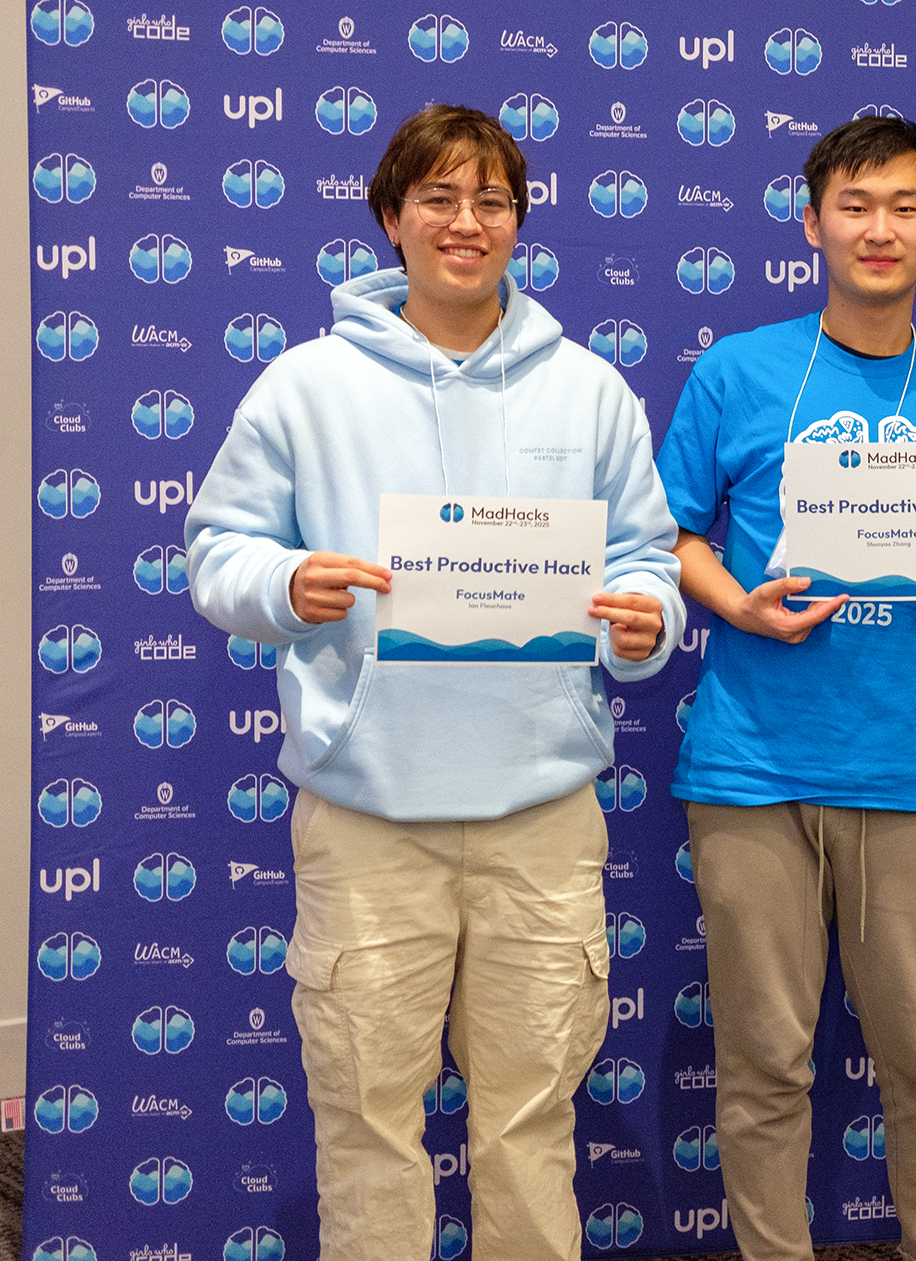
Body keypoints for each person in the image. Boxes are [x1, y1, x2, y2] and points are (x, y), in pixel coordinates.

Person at [184, 104, 684, 1261]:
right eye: (439, 199)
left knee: (528, 1119)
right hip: (369, 819)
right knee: (367, 1122)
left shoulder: (588, 389)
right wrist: (287, 581)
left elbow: (643, 559)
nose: (467, 223)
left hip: (540, 818)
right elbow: (217, 553)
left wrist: (642, 617)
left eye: (491, 201)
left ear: (518, 222)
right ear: (391, 218)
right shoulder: (304, 386)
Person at [653, 116, 916, 1261]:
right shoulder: (736, 370)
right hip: (751, 767)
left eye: (904, 206)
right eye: (854, 206)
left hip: (904, 770)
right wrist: (736, 603)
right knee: (764, 1065)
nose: (878, 228)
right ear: (809, 222)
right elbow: (669, 534)